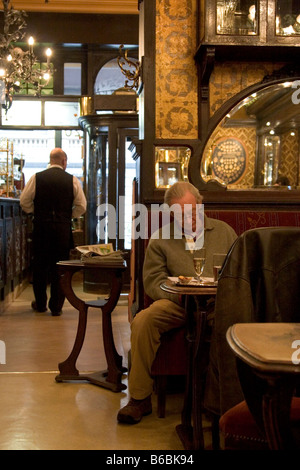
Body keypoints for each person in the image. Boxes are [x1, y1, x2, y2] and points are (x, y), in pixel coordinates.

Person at [117, 181, 237, 424]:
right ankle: (139, 398)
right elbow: (153, 280)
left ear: (201, 205)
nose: (188, 218)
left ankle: (223, 399)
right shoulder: (161, 238)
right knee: (143, 321)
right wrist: (179, 293)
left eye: (192, 211)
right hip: (177, 304)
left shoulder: (225, 232)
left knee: (237, 320)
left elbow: (239, 271)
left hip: (217, 304)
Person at [20, 148, 87, 316]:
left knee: (40, 266)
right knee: (60, 268)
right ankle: (56, 306)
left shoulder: (37, 177)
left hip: (41, 228)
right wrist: (68, 215)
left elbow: (24, 201)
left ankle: (41, 304)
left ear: (50, 160)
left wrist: (36, 212)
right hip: (62, 229)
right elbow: (82, 206)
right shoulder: (72, 180)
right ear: (64, 161)